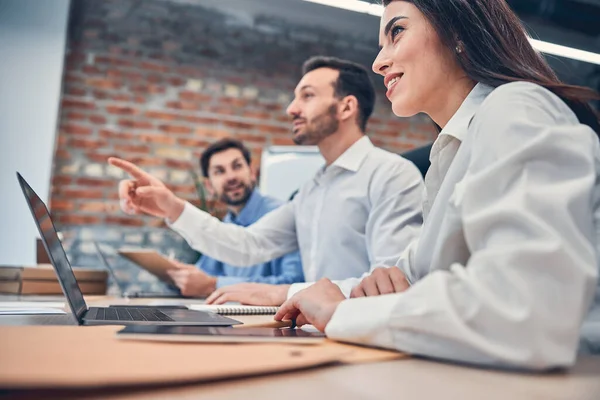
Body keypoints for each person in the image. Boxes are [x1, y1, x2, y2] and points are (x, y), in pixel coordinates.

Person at [274, 0, 600, 370]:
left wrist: (339, 313)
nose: (378, 62)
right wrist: (358, 294)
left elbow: (524, 310)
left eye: (396, 32)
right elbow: (409, 275)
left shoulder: (516, 108)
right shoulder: (447, 159)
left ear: (457, 32)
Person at [109, 56, 424, 305]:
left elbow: (391, 284)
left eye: (307, 96)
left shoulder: (391, 175)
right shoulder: (312, 188)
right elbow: (249, 245)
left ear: (346, 107)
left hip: (365, 341)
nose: (291, 109)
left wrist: (283, 294)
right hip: (317, 335)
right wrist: (172, 207)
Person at [164, 138, 304, 297]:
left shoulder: (282, 216)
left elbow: (295, 283)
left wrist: (214, 285)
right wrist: (182, 275)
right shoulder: (226, 224)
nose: (231, 177)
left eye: (237, 166)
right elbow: (204, 273)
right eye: (220, 171)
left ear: (252, 172)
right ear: (209, 186)